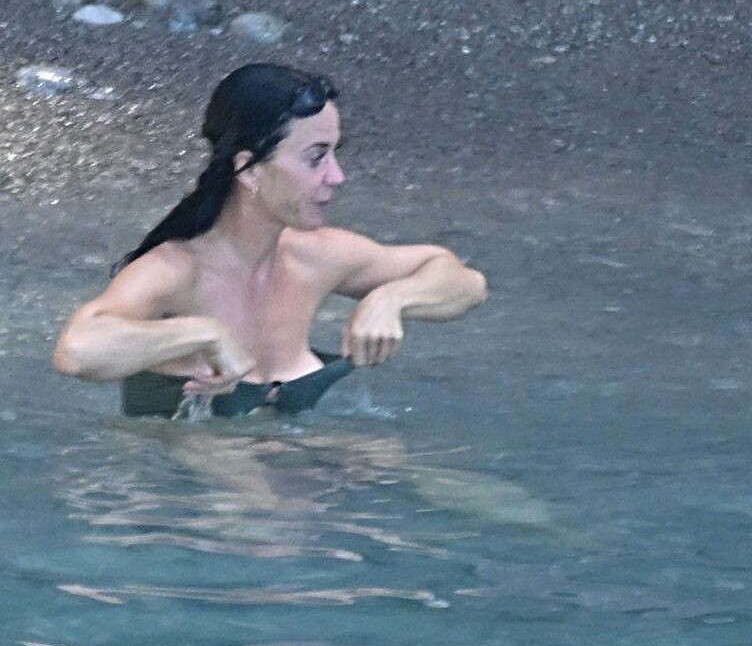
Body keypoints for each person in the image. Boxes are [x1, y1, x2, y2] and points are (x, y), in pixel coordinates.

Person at [53, 64, 487, 416]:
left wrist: (393, 298)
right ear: (250, 170)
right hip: (192, 487)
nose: (337, 176)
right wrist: (201, 334)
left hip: (298, 468)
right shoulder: (175, 271)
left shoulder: (314, 257)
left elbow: (466, 284)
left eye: (334, 153)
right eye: (316, 157)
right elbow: (77, 351)